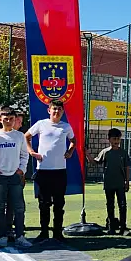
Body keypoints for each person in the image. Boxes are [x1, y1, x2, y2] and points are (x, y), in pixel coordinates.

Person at [25, 99, 76, 242]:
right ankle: (44, 232)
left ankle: (58, 233)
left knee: (59, 203)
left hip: (60, 171)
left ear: (62, 111)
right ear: (49, 110)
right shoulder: (41, 124)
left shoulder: (65, 127)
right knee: (44, 203)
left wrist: (70, 151)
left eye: (59, 109)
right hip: (43, 171)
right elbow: (26, 136)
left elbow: (73, 140)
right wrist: (31, 152)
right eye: (54, 109)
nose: (56, 111)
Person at [0, 107, 31, 248]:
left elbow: (24, 155)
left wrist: (21, 170)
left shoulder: (19, 136)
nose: (8, 121)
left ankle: (20, 236)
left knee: (19, 208)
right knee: (0, 207)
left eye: (11, 119)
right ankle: (2, 236)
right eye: (5, 118)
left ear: (15, 120)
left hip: (15, 177)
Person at [93, 128, 131, 236]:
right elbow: (95, 162)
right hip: (109, 184)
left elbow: (127, 167)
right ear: (109, 139)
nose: (116, 141)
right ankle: (111, 227)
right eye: (114, 138)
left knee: (122, 205)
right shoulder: (105, 152)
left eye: (118, 139)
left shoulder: (123, 153)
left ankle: (123, 228)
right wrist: (87, 154)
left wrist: (127, 182)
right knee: (110, 205)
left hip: (120, 184)